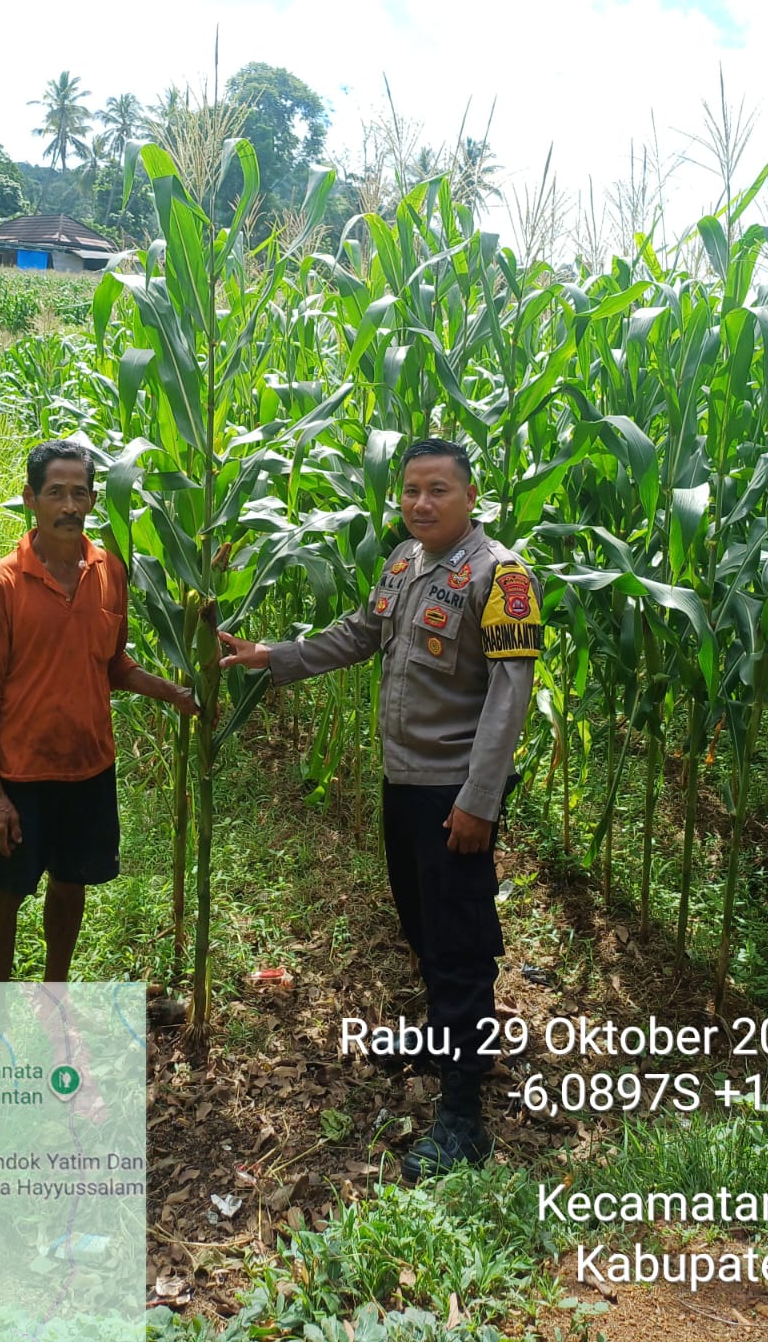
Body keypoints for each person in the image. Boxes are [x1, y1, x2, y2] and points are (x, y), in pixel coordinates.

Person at [219, 436, 541, 1179]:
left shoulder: (500, 577)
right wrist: (274, 656)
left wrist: (479, 801)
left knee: (459, 945)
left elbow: (508, 697)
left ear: (470, 497)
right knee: (422, 927)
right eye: (410, 490)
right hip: (403, 782)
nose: (421, 503)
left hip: (453, 792)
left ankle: (464, 1117)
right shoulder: (403, 561)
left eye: (438, 490)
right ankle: (442, 1040)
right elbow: (362, 635)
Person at [0, 438, 199, 982]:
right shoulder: (0, 586)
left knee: (70, 886)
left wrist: (174, 693)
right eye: (55, 493)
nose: (68, 506)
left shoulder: (109, 570)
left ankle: (56, 994)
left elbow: (113, 664)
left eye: (79, 494)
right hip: (19, 774)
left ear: (92, 500)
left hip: (88, 767)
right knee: (5, 894)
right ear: (30, 499)